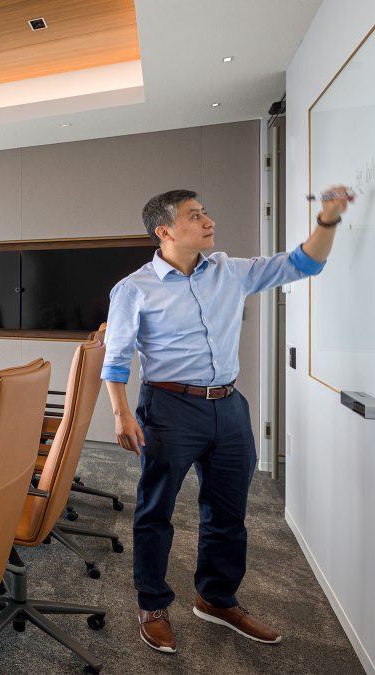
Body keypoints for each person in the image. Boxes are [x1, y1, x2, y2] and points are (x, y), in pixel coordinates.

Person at [101, 186, 351, 654]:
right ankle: (152, 604)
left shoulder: (229, 271)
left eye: (206, 212)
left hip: (230, 408)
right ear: (165, 231)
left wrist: (329, 220)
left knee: (229, 512)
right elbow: (116, 361)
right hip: (169, 408)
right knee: (156, 511)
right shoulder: (135, 288)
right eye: (195, 216)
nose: (208, 220)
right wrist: (120, 415)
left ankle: (215, 598)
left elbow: (304, 263)